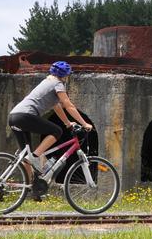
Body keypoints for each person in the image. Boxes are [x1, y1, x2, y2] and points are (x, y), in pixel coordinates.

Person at [8, 61, 93, 198]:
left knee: (25, 156)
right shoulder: (58, 84)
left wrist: (68, 123)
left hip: (14, 117)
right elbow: (68, 105)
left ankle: (32, 188)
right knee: (56, 131)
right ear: (65, 76)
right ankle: (35, 157)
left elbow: (57, 106)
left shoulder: (47, 82)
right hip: (26, 115)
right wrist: (84, 123)